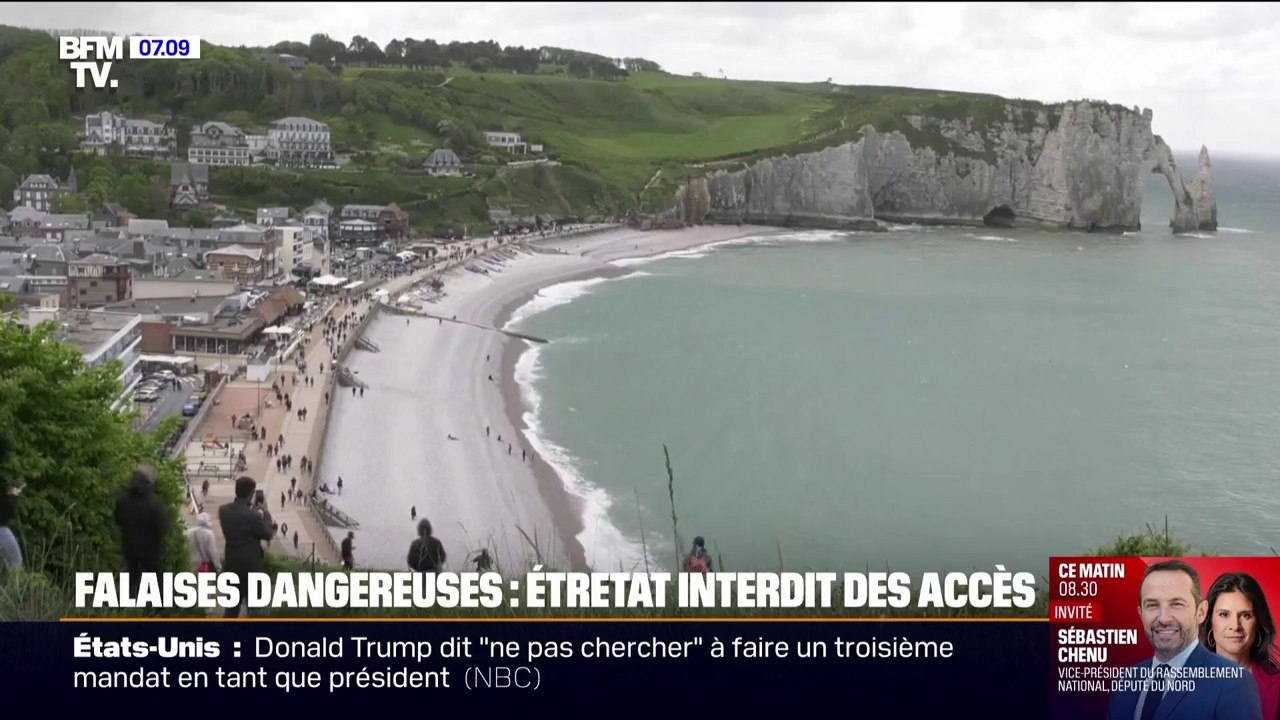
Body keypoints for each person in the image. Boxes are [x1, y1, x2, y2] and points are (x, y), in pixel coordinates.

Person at [1107, 560, 1263, 720]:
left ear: (1201, 612)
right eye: (1152, 605)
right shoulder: (1125, 680)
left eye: (1177, 604)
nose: (1164, 618)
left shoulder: (1234, 683)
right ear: (1141, 614)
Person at [1201, 572, 1280, 720]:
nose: (1235, 626)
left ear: (1257, 623)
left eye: (1245, 615)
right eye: (1224, 614)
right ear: (1210, 621)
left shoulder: (1277, 686)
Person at [219, 476, 274, 619]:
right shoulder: (253, 516)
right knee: (254, 608)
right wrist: (266, 514)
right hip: (251, 567)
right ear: (251, 493)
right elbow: (268, 534)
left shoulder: (223, 510)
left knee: (231, 608)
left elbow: (240, 520)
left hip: (231, 564)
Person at [113, 464, 170, 596]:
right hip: (150, 551)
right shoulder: (155, 503)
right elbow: (162, 527)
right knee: (151, 585)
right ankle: (151, 611)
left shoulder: (122, 500)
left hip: (129, 548)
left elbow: (118, 521)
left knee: (130, 581)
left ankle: (128, 609)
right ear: (149, 481)